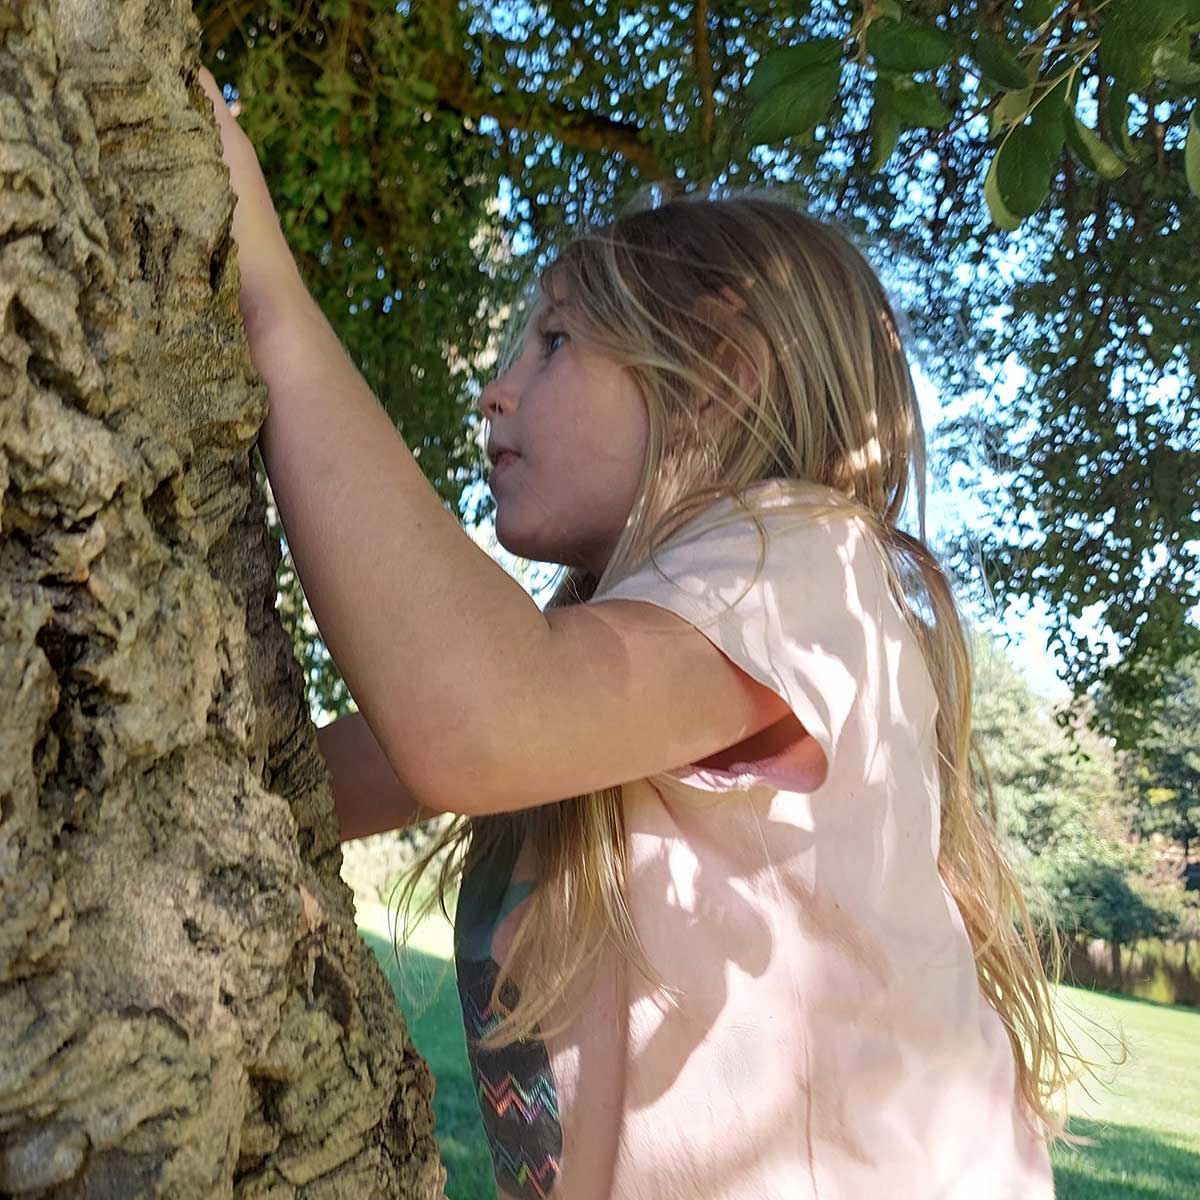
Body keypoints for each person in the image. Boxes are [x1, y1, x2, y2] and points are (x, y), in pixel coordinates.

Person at [199, 65, 1077, 1199]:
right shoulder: (614, 659)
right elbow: (326, 777)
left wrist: (270, 298)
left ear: (716, 380)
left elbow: (473, 716)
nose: (496, 391)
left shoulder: (805, 565)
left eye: (554, 342)